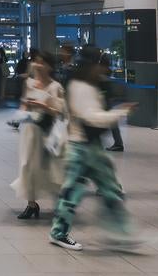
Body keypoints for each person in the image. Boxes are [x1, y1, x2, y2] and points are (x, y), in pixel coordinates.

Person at [49, 52, 139, 251]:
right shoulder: (80, 88)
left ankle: (121, 231)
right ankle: (59, 233)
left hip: (92, 146)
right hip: (80, 147)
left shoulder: (89, 86)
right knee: (72, 192)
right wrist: (121, 111)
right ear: (90, 67)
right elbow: (92, 118)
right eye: (100, 65)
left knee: (110, 189)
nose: (104, 70)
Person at [13, 52, 64, 220]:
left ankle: (59, 203)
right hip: (30, 130)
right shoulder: (30, 83)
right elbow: (24, 103)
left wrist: (43, 105)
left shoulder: (55, 87)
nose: (38, 65)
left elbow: (60, 112)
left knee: (50, 167)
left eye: (42, 62)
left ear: (50, 66)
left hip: (48, 130)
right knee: (28, 165)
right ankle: (31, 204)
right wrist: (23, 111)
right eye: (36, 62)